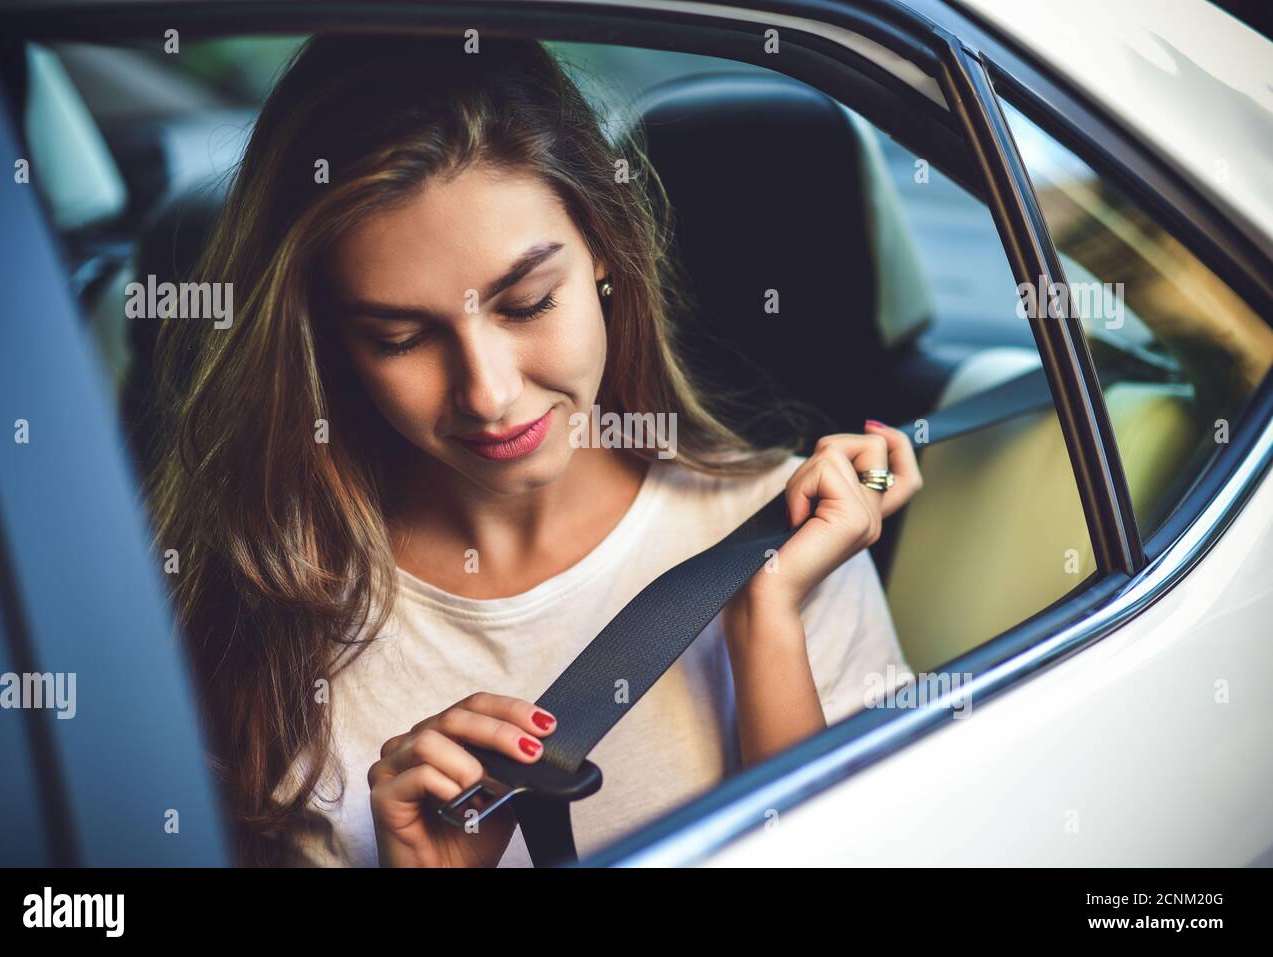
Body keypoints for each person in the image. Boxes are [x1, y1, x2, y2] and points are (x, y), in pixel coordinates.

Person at [145, 32, 922, 868]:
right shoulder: (255, 611)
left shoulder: (786, 540)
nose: (489, 392)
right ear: (327, 344)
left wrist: (767, 625)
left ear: (604, 255)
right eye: (401, 337)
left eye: (527, 303)